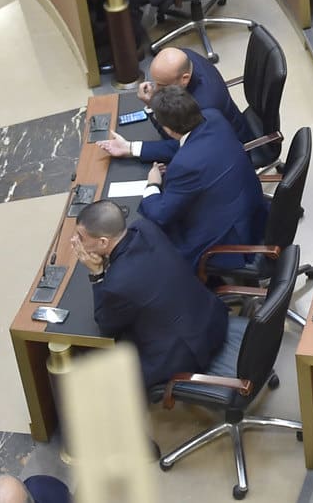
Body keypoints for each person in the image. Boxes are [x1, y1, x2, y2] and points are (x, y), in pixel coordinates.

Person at [69, 200, 227, 401]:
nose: (75, 241)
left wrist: (97, 274)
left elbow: (106, 326)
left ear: (102, 242)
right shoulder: (145, 228)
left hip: (186, 354)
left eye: (80, 237)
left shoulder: (117, 284)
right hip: (212, 318)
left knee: (101, 369)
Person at [135, 85, 267, 267]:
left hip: (229, 237)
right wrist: (132, 148)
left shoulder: (184, 165)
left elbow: (160, 215)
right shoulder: (213, 117)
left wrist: (153, 185)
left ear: (169, 129)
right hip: (252, 212)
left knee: (152, 242)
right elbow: (185, 145)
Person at [98, 43, 257, 158]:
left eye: (162, 85)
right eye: (155, 81)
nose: (155, 88)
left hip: (229, 150)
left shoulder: (204, 108)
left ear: (184, 78)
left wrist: (130, 148)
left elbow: (180, 144)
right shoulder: (185, 57)